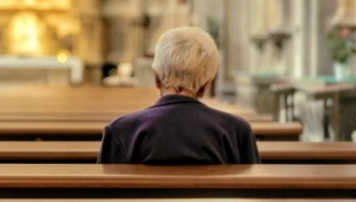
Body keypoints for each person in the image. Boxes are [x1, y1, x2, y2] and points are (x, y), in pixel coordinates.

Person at [97, 27, 260, 164]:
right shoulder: (237, 131)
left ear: (157, 79)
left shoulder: (121, 131)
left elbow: (102, 198)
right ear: (206, 85)